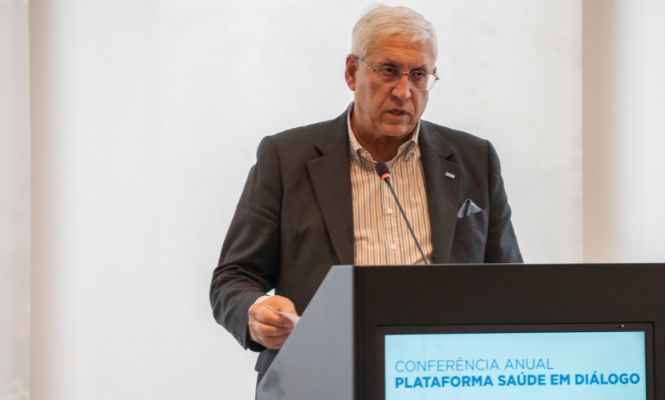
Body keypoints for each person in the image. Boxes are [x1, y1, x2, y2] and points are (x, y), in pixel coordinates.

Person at [210, 4, 523, 385]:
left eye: (419, 75)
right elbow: (234, 277)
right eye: (388, 70)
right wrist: (256, 312)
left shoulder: (474, 159)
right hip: (318, 377)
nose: (404, 92)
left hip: (440, 378)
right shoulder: (286, 158)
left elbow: (509, 286)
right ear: (351, 72)